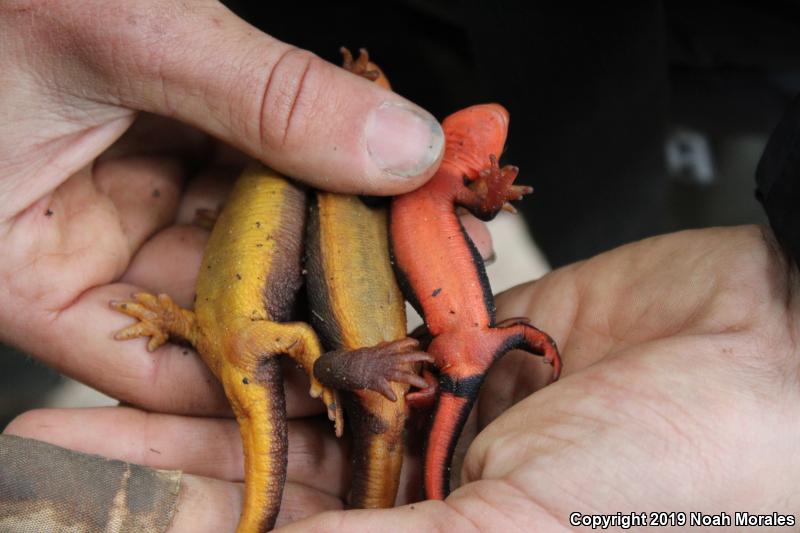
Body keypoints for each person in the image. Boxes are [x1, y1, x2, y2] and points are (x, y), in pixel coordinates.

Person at [2, 1, 799, 531]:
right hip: (233, 79)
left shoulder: (415, 193)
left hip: (659, 50)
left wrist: (786, 304)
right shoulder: (309, 281)